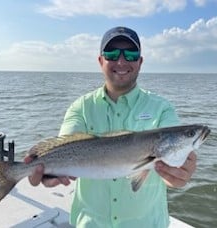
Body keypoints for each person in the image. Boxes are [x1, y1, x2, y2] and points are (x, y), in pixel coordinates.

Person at [25, 26, 197, 227]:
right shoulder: (81, 107)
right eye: (112, 53)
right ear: (100, 61)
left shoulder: (162, 108)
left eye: (131, 54)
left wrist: (178, 176)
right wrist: (46, 173)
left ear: (140, 62)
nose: (121, 61)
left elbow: (171, 170)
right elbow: (66, 143)